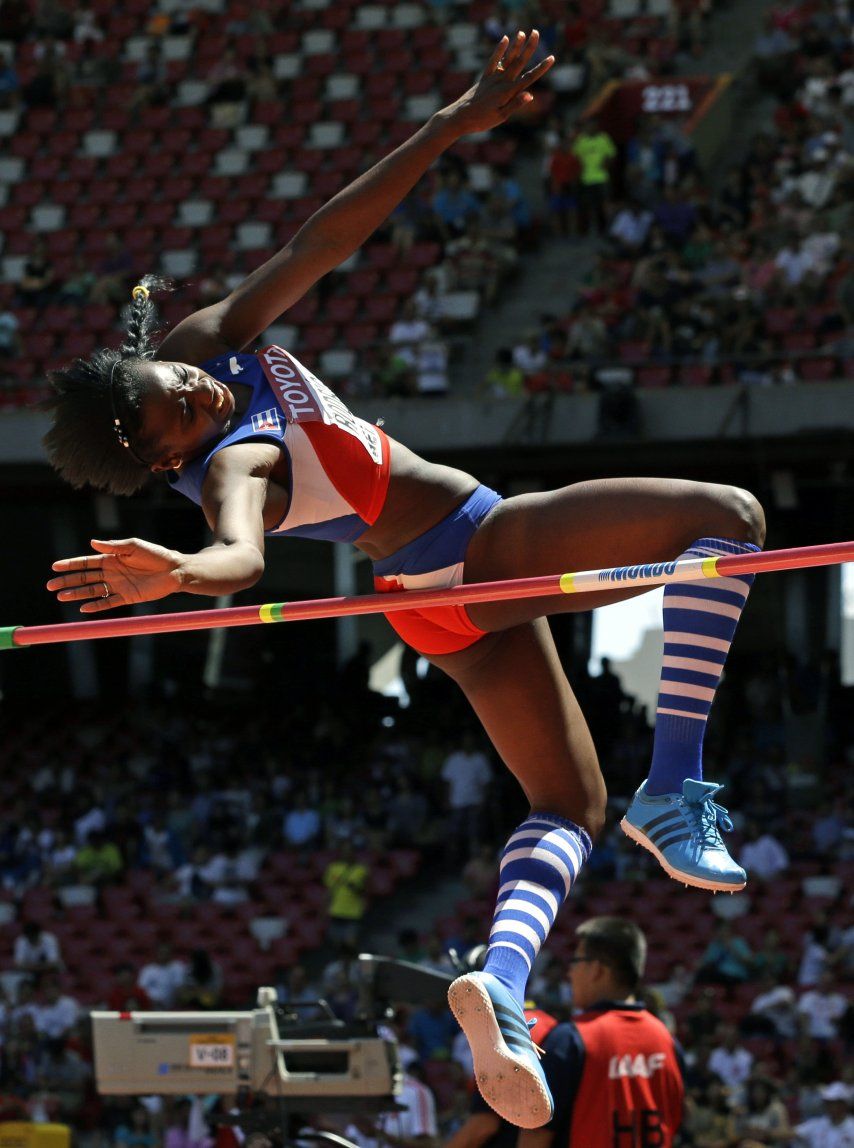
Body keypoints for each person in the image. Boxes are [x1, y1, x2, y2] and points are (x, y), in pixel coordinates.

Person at [42, 30, 765, 1130]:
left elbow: (314, 242)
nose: (197, 388)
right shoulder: (231, 466)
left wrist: (445, 127)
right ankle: (677, 780)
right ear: (159, 457)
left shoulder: (203, 345)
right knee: (729, 518)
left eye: (176, 375)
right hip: (469, 552)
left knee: (567, 800)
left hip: (430, 604)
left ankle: (502, 987)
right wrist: (184, 571)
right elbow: (240, 555)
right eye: (177, 409)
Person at [517, 917, 684, 1148]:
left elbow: (535, 1137)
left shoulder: (569, 1039)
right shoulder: (667, 1041)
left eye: (575, 962)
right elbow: (674, 1120)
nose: (570, 973)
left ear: (597, 970)